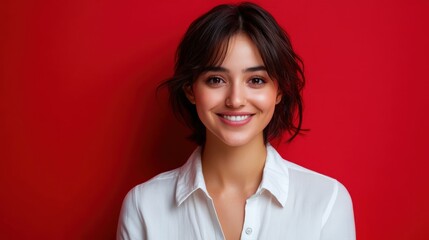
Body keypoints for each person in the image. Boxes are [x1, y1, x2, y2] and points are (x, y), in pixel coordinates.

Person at [117, 2, 355, 240]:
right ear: (190, 90)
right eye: (216, 80)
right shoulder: (144, 206)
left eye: (256, 80)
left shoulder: (326, 201)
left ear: (279, 91)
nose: (235, 100)